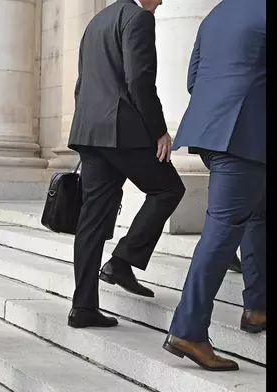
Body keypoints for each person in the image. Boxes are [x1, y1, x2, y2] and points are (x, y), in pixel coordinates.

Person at [66, 0, 185, 329]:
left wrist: (88, 124)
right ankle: (122, 261)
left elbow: (82, 84)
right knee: (168, 188)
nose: (161, 2)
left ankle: (83, 307)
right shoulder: (139, 18)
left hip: (90, 131)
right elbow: (139, 81)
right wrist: (159, 131)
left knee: (91, 220)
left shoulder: (97, 21)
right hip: (122, 129)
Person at [164, 0, 265, 371]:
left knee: (255, 215)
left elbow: (193, 79)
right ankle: (188, 330)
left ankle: (257, 307)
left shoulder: (217, 13)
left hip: (212, 132)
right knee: (222, 230)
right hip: (245, 138)